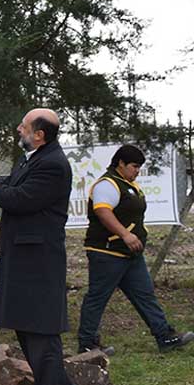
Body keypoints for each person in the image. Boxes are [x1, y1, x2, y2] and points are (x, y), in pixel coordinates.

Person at [0, 108, 78, 385]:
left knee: (41, 331)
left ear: (39, 134)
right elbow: (13, 188)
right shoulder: (34, 160)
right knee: (29, 329)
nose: (18, 129)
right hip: (24, 257)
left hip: (38, 260)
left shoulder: (53, 165)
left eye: (24, 126)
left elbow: (19, 200)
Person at [78, 145, 194, 355]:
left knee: (145, 295)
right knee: (97, 298)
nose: (137, 171)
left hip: (130, 254)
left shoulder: (129, 185)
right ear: (120, 163)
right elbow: (103, 212)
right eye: (134, 166)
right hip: (107, 253)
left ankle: (164, 337)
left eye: (139, 167)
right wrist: (125, 234)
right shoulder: (107, 185)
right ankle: (87, 344)